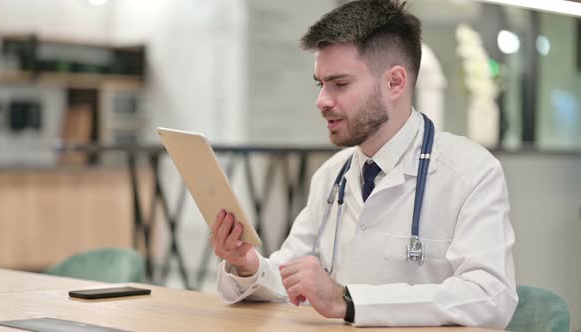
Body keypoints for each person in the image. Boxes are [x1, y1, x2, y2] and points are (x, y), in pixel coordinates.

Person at [210, 0, 518, 328]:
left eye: (339, 84)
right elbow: (290, 276)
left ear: (395, 83)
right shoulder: (333, 175)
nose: (321, 101)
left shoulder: (471, 172)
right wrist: (248, 264)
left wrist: (347, 300)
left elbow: (490, 295)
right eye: (321, 84)